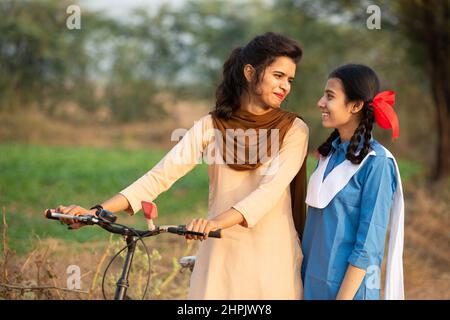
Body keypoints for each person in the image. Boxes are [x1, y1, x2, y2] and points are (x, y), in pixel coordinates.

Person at [52, 32, 309, 299]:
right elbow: (159, 176)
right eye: (278, 76)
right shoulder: (211, 126)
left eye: (290, 80)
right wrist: (97, 212)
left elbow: (268, 193)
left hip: (271, 255)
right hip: (219, 253)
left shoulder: (294, 129)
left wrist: (212, 224)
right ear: (249, 72)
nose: (286, 86)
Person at [301, 64, 405, 300]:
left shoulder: (376, 164)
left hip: (349, 292)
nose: (320, 103)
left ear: (356, 105)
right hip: (312, 285)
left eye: (329, 96)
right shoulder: (328, 156)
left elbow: (368, 246)